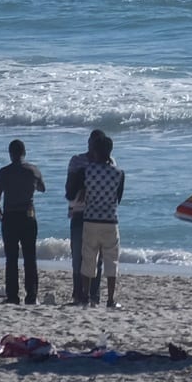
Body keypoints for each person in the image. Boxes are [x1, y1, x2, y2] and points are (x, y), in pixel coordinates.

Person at [67, 130, 124, 308]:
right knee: (109, 260)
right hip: (109, 219)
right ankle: (108, 299)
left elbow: (71, 192)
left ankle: (86, 295)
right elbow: (118, 198)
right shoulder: (118, 172)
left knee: (87, 258)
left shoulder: (86, 170)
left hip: (89, 218)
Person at [0, 139, 46, 305]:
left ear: (10, 154)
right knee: (30, 257)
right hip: (28, 216)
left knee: (11, 258)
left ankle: (13, 296)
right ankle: (31, 295)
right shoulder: (33, 170)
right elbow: (42, 188)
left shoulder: (4, 172)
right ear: (24, 153)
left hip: (10, 217)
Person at [64, 129, 100, 304]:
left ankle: (92, 294)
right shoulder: (77, 160)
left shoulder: (108, 162)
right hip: (80, 213)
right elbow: (69, 192)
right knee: (79, 257)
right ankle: (80, 293)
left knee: (93, 258)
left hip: (95, 214)